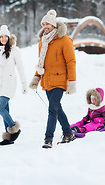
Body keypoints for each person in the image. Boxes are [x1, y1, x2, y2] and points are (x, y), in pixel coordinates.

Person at [29, 9, 76, 149]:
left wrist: (72, 82)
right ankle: (68, 133)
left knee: (52, 109)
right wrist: (36, 78)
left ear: (54, 25)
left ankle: (48, 139)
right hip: (47, 81)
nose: (45, 26)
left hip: (60, 81)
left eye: (47, 24)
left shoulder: (64, 40)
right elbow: (40, 62)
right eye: (43, 24)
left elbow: (71, 62)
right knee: (57, 108)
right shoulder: (42, 41)